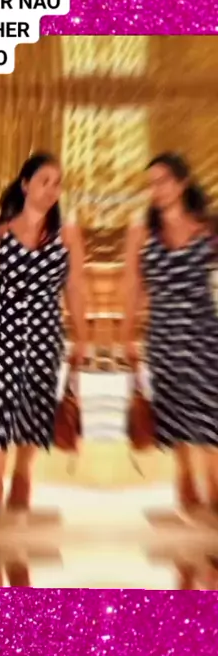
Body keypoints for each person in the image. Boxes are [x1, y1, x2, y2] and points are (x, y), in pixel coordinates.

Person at [0, 152, 87, 516]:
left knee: (36, 403)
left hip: (45, 329)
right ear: (25, 185)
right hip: (4, 327)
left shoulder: (67, 234)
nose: (52, 190)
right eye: (45, 181)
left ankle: (23, 474)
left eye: (57, 183)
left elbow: (75, 287)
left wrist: (82, 336)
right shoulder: (0, 230)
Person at [123, 153, 218, 514]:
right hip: (163, 336)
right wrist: (127, 336)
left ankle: (214, 485)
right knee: (176, 411)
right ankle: (186, 477)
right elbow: (133, 287)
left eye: (162, 181)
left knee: (210, 412)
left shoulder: (207, 228)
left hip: (204, 335)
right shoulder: (141, 232)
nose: (156, 190)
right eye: (151, 184)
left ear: (182, 183)